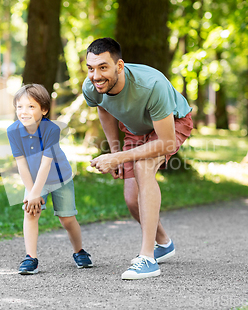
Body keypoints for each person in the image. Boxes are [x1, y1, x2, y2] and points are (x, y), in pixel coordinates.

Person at [82, 38, 193, 280]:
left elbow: (166, 142)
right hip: (135, 129)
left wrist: (119, 156)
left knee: (144, 166)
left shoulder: (151, 84)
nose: (96, 75)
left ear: (119, 66)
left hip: (170, 125)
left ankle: (147, 259)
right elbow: (103, 107)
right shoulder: (92, 86)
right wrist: (115, 153)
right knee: (132, 200)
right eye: (91, 68)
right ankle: (164, 244)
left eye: (103, 67)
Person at [7, 83, 93, 274]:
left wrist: (36, 192)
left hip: (59, 178)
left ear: (44, 110)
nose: (24, 111)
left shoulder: (51, 130)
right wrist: (31, 193)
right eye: (20, 107)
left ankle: (79, 251)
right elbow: (21, 164)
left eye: (31, 106)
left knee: (67, 219)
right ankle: (31, 258)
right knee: (30, 212)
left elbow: (46, 165)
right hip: (33, 179)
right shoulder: (13, 131)